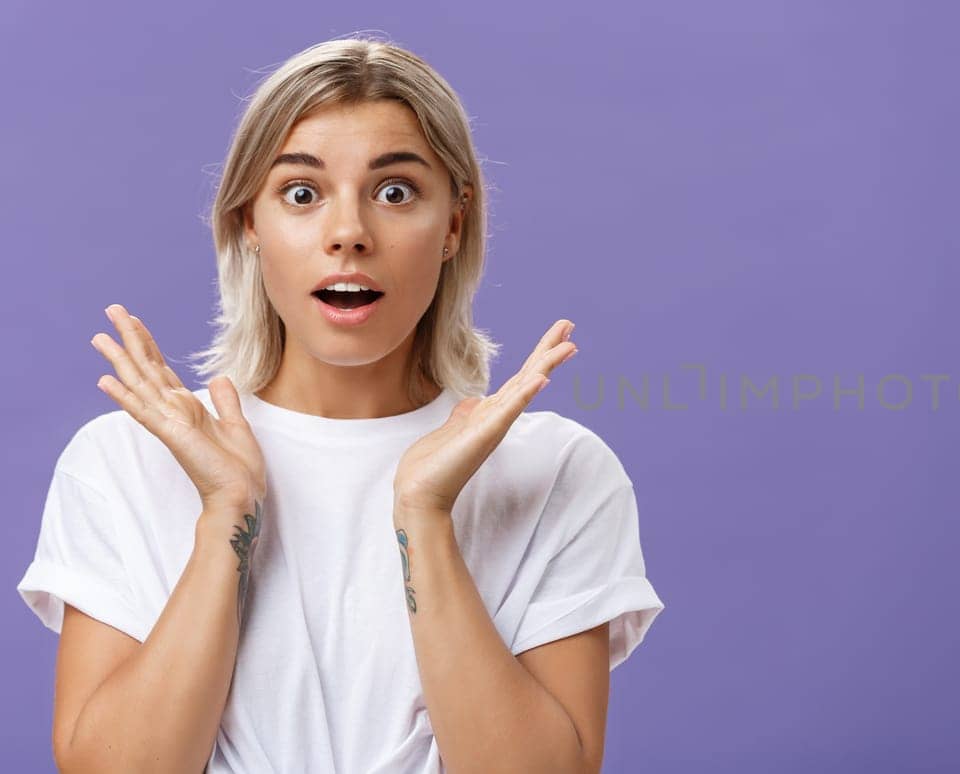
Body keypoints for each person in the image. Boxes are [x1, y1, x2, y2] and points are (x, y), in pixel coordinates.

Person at [16, 35, 664, 773]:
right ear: (248, 224)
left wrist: (423, 515)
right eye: (302, 193)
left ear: (452, 224)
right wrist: (227, 513)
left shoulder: (556, 471)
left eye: (395, 192)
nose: (349, 234)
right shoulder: (125, 460)